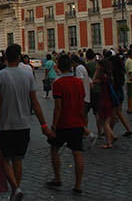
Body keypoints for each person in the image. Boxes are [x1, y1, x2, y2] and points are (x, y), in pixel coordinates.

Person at [0, 44, 55, 201]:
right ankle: (15, 191)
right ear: (19, 57)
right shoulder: (28, 75)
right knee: (17, 159)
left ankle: (15, 188)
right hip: (24, 125)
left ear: (5, 58)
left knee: (4, 158)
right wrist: (44, 126)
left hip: (5, 126)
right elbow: (35, 103)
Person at [46, 54, 86, 196]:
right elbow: (82, 104)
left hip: (63, 123)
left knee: (54, 149)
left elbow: (58, 107)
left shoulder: (58, 84)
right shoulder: (79, 82)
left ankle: (57, 178)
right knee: (78, 153)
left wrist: (54, 126)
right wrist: (84, 123)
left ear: (59, 67)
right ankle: (78, 185)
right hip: (77, 123)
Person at [92, 59, 117, 149]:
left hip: (103, 101)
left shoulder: (101, 77)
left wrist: (97, 71)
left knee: (105, 123)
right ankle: (113, 135)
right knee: (105, 121)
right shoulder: (108, 76)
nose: (96, 66)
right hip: (109, 100)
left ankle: (108, 142)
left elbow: (93, 82)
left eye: (97, 65)